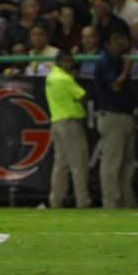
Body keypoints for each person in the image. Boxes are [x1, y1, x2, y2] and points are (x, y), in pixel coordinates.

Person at [94, 27, 137, 208]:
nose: (120, 41)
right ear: (107, 43)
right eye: (116, 38)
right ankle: (111, 201)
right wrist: (128, 68)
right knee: (112, 162)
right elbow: (115, 86)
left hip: (126, 116)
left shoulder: (119, 60)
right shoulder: (105, 62)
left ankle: (126, 200)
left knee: (127, 163)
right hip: (113, 116)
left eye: (122, 37)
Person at [45, 50, 91, 208]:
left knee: (61, 164)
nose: (70, 64)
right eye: (67, 61)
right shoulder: (65, 78)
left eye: (71, 61)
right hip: (70, 123)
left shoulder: (51, 76)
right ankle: (82, 201)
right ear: (60, 62)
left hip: (57, 122)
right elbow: (83, 96)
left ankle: (56, 200)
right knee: (78, 163)